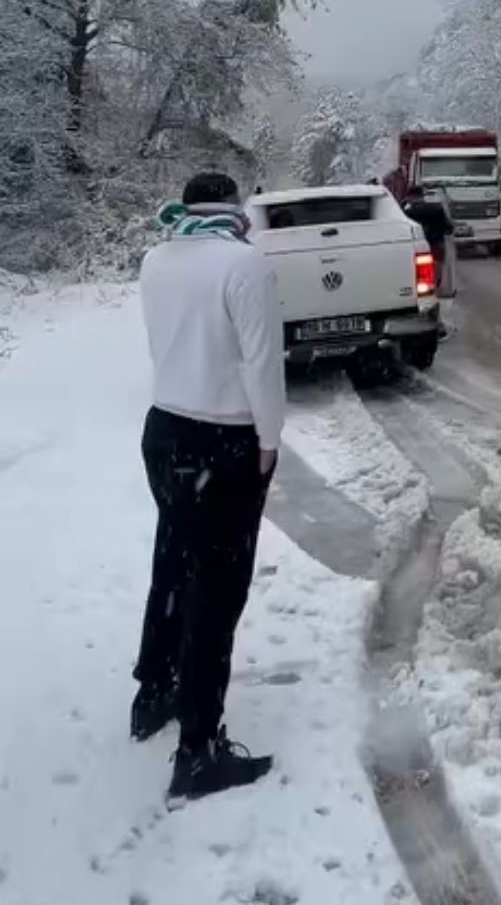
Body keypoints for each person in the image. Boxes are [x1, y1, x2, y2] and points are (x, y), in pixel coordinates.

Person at [132, 171, 286, 802]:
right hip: (223, 441)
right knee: (216, 592)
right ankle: (198, 751)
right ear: (236, 207)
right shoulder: (243, 265)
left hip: (165, 431)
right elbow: (261, 361)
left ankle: (154, 692)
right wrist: (269, 441)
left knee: (173, 564)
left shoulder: (157, 258)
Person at [403, 183, 456, 297]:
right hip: (436, 243)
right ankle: (436, 286)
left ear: (410, 197)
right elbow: (448, 227)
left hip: (416, 246)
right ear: (422, 196)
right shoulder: (436, 209)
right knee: (437, 263)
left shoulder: (406, 213)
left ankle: (423, 289)